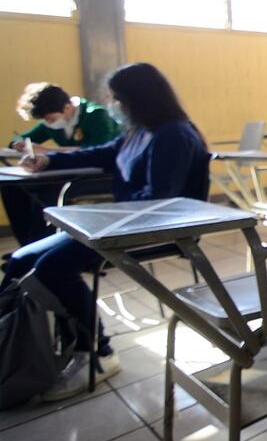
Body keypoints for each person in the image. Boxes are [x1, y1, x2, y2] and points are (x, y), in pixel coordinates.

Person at [1, 63, 210, 401]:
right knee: (20, 260)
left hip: (150, 228)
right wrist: (48, 161)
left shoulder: (174, 133)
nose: (114, 105)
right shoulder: (140, 130)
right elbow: (103, 153)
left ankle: (97, 352)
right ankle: (24, 346)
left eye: (117, 99)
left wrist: (99, 217)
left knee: (53, 267)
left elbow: (161, 202)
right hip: (120, 222)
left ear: (137, 98)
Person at [2, 84, 121, 246]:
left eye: (49, 119)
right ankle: (26, 247)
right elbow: (20, 139)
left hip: (98, 176)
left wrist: (47, 150)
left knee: (46, 192)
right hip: (66, 171)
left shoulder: (96, 115)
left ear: (67, 107)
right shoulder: (52, 123)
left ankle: (41, 246)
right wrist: (19, 144)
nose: (48, 123)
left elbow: (99, 151)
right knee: (12, 188)